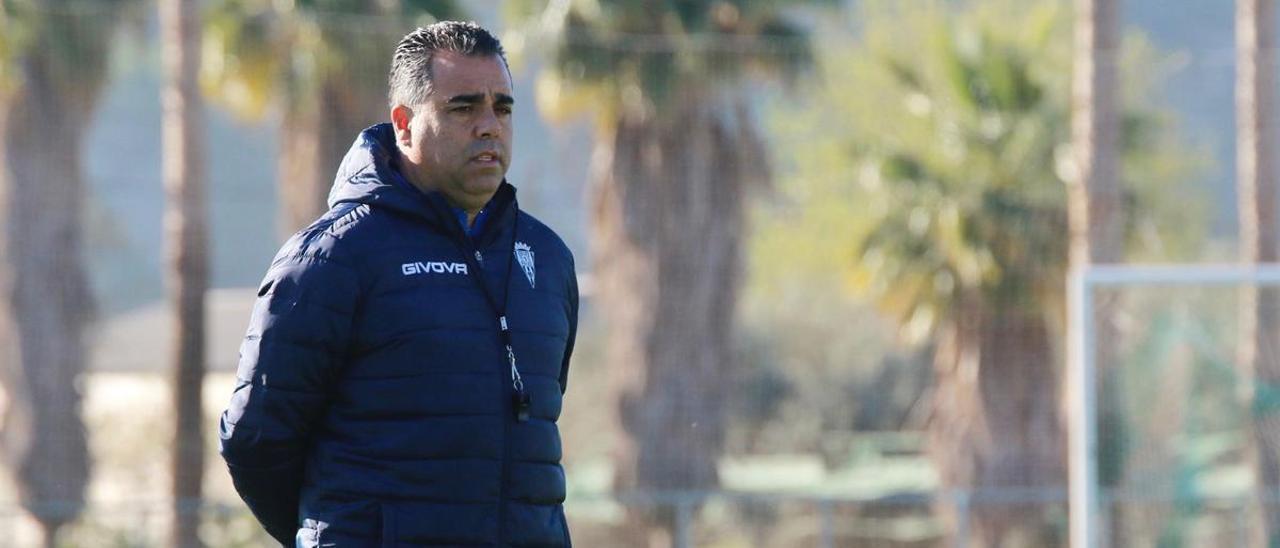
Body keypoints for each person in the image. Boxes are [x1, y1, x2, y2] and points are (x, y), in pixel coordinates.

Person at [218, 21, 578, 547]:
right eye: (463, 107)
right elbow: (256, 440)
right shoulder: (333, 256)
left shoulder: (547, 259)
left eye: (502, 108)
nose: (489, 126)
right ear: (404, 125)